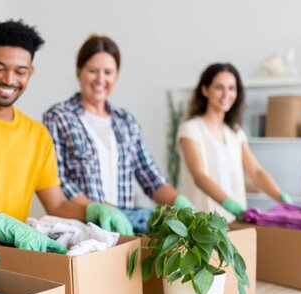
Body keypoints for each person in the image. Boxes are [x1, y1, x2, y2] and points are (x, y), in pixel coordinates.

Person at [0, 20, 133, 252]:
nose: (9, 79)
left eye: (20, 71)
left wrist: (93, 210)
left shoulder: (37, 135)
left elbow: (56, 204)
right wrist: (2, 225)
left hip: (12, 261)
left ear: (30, 73)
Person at [42, 35, 194, 233]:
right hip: (81, 229)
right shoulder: (58, 117)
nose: (100, 79)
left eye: (108, 72)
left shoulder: (126, 121)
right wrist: (99, 211)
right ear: (79, 72)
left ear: (116, 75)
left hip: (123, 228)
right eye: (93, 71)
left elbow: (150, 176)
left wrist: (179, 201)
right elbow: (59, 182)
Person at [177, 62, 291, 221]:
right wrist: (230, 205)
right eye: (219, 87)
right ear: (205, 90)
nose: (226, 94)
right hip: (201, 224)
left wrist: (281, 198)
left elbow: (256, 172)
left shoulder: (235, 133)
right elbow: (199, 176)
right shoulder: (191, 129)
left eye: (231, 88)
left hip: (234, 221)